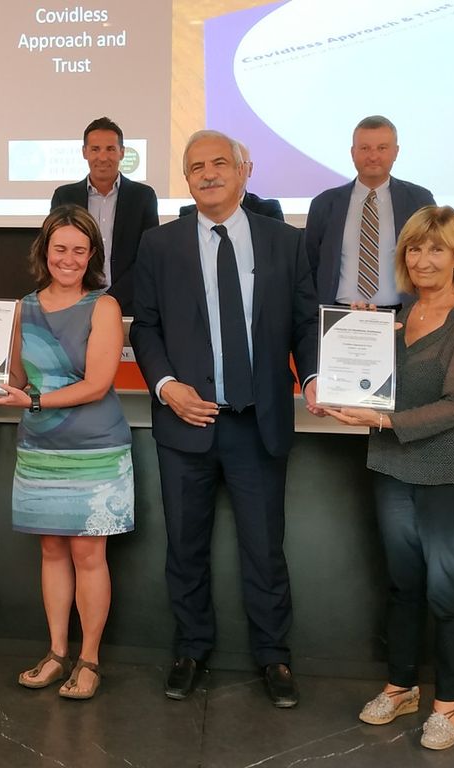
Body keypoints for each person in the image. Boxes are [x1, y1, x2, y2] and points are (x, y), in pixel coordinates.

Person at [130, 130, 319, 707]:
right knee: (185, 547)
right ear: (186, 179)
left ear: (244, 170)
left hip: (257, 423)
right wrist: (166, 387)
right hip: (185, 422)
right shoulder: (159, 245)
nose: (208, 174)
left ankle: (274, 656)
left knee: (265, 548)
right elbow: (146, 326)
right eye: (196, 167)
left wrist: (313, 376)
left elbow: (306, 322)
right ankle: (190, 649)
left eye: (219, 163)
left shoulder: (285, 242)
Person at [325, 206, 454, 751]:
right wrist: (354, 334)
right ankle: (401, 687)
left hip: (448, 472)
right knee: (403, 586)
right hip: (392, 468)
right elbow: (368, 383)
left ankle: (449, 704)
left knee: (448, 592)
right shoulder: (393, 318)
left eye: (436, 249)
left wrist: (382, 421)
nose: (423, 259)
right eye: (414, 249)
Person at [0, 204, 133, 700]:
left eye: (80, 250)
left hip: (95, 450)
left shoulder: (104, 307)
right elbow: (16, 378)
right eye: (60, 248)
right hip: (40, 448)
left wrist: (32, 401)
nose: (69, 259)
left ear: (92, 255)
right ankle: (57, 653)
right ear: (44, 250)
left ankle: (89, 660)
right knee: (52, 550)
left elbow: (97, 384)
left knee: (88, 553)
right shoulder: (23, 308)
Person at [306, 115, 435, 308]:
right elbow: (310, 265)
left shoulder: (419, 200)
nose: (373, 156)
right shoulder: (324, 204)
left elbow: (434, 259)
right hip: (339, 313)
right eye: (365, 148)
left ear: (396, 152)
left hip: (401, 314)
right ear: (353, 152)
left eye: (382, 148)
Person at [51, 117, 159, 316]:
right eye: (95, 149)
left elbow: (148, 257)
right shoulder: (64, 197)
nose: (102, 157)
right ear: (84, 152)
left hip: (129, 305)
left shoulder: (143, 197)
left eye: (110, 149)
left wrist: (111, 299)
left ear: (122, 152)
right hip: (74, 302)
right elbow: (55, 251)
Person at [179, 142, 284, 222]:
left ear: (250, 169)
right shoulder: (189, 214)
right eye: (222, 164)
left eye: (240, 164)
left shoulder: (268, 210)